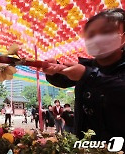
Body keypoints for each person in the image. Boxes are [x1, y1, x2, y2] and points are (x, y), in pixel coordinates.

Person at [43, 8, 125, 150]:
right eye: (91, 34)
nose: (97, 39)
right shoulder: (87, 66)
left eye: (106, 32)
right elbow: (62, 80)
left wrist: (88, 76)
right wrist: (55, 69)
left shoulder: (88, 71)